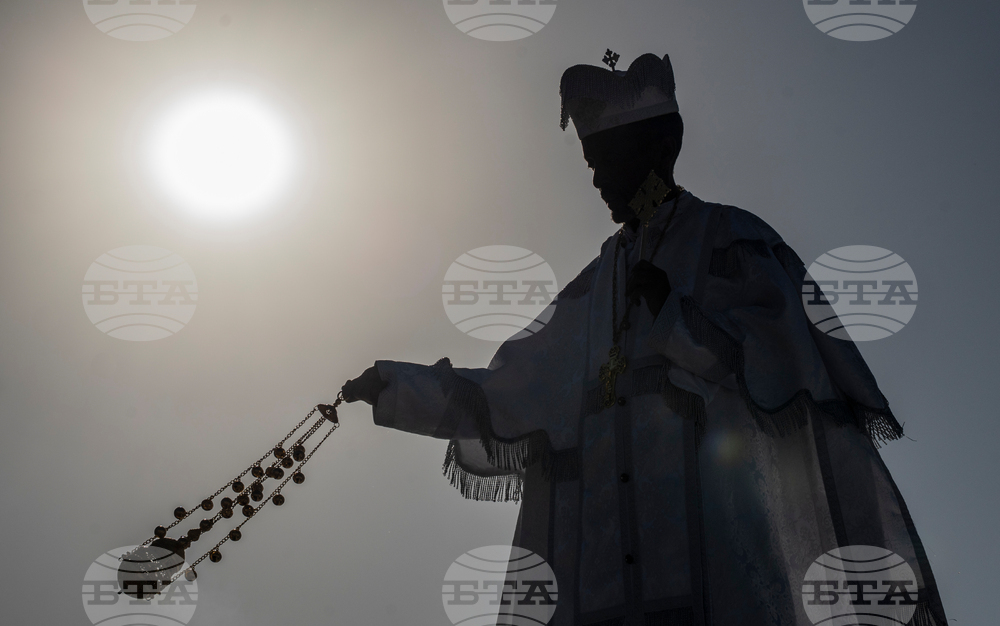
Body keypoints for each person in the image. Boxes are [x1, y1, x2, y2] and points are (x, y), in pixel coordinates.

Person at [341, 53, 947, 626]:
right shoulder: (588, 291)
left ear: (661, 148)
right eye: (591, 164)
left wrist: (673, 318)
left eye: (610, 157)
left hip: (718, 563)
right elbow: (506, 393)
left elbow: (782, 369)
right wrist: (397, 386)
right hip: (595, 583)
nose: (600, 178)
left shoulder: (730, 240)